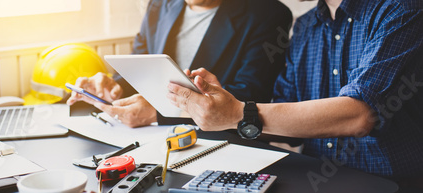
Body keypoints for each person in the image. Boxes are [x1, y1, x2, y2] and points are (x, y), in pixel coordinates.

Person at [167, 0, 423, 188]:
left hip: (392, 183)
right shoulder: (305, 26)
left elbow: (359, 115)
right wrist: (220, 104)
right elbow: (280, 115)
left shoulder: (402, 10)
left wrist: (237, 113)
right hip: (316, 178)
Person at [67, 0, 292, 128]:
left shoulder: (269, 14)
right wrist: (112, 87)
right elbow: (142, 67)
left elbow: (251, 95)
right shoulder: (159, 6)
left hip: (219, 140)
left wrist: (159, 113)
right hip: (149, 137)